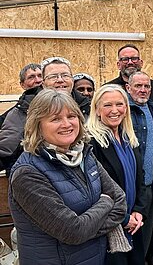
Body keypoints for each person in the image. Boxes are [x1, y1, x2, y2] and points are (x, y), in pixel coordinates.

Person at [8, 89, 128, 265]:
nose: (66, 124)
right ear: (37, 125)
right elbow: (73, 232)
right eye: (55, 119)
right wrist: (105, 202)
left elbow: (120, 203)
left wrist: (84, 229)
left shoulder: (85, 156)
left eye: (71, 116)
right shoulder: (27, 173)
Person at [87, 84, 149, 265]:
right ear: (97, 110)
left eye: (119, 104)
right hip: (109, 230)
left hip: (134, 225)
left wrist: (139, 211)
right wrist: (123, 219)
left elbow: (141, 179)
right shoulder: (91, 143)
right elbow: (92, 192)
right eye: (107, 105)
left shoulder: (130, 138)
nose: (115, 110)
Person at [0, 57, 90, 174]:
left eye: (65, 75)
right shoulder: (25, 109)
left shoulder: (86, 107)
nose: (60, 80)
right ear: (43, 82)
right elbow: (5, 149)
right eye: (53, 76)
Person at [125, 71, 153, 264]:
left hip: (150, 185)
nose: (143, 90)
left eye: (147, 86)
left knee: (144, 239)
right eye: (138, 86)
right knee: (131, 239)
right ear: (128, 88)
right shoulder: (124, 112)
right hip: (132, 187)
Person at [106, 44, 153, 113]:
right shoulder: (109, 88)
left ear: (141, 63)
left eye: (134, 59)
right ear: (118, 65)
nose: (130, 62)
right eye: (125, 59)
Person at [0, 63, 42, 132]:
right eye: (31, 77)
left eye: (40, 76)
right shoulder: (19, 109)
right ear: (23, 85)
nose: (38, 80)